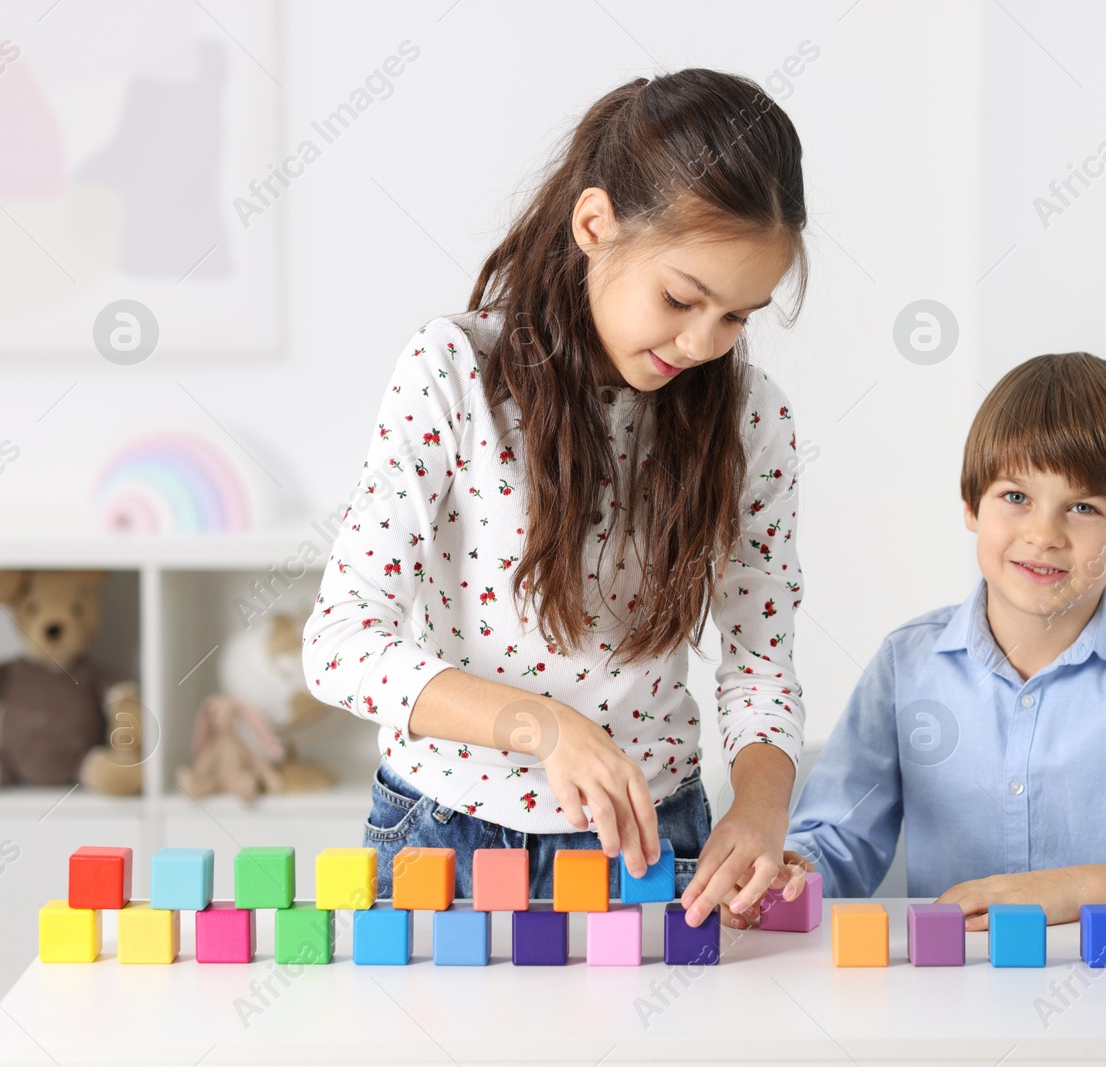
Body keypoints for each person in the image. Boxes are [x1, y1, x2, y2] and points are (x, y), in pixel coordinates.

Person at [304, 69, 812, 927]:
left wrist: (761, 805)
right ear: (594, 223)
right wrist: (541, 726)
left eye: (737, 316)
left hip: (651, 845)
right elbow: (341, 645)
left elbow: (759, 657)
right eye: (681, 298)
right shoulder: (454, 372)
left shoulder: (751, 418)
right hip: (443, 837)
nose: (701, 343)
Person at [757, 351, 1106, 931]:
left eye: (1083, 507)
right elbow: (837, 840)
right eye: (1015, 497)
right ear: (971, 505)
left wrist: (1075, 889)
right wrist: (792, 873)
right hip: (950, 986)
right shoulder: (906, 662)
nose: (1043, 535)